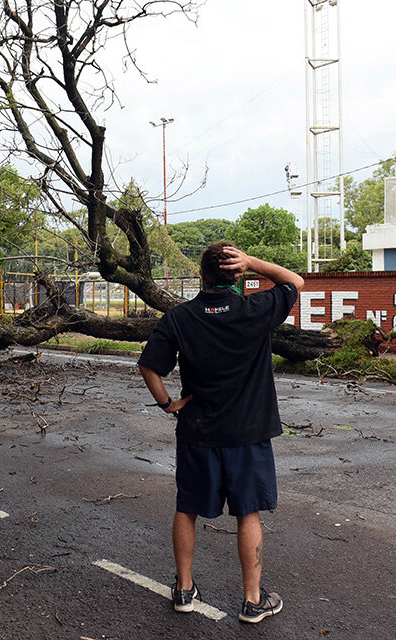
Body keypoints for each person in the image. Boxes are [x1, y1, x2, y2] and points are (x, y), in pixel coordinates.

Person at [137, 242, 303, 624]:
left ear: (201, 276)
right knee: (249, 514)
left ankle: (183, 590)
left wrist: (168, 404)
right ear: (238, 275)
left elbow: (148, 367)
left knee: (187, 509)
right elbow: (294, 280)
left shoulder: (179, 318)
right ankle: (252, 601)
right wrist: (254, 261)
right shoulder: (255, 309)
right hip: (248, 434)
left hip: (198, 432)